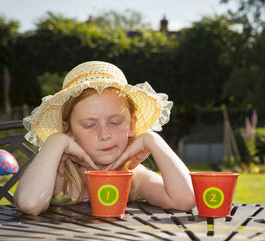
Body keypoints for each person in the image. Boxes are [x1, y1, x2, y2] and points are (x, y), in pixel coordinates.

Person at [14, 61, 196, 215]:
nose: (104, 135)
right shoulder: (59, 177)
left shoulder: (134, 178)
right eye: (90, 125)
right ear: (67, 131)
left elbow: (187, 199)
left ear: (132, 125)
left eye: (115, 122)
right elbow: (29, 203)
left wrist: (152, 140)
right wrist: (56, 141)